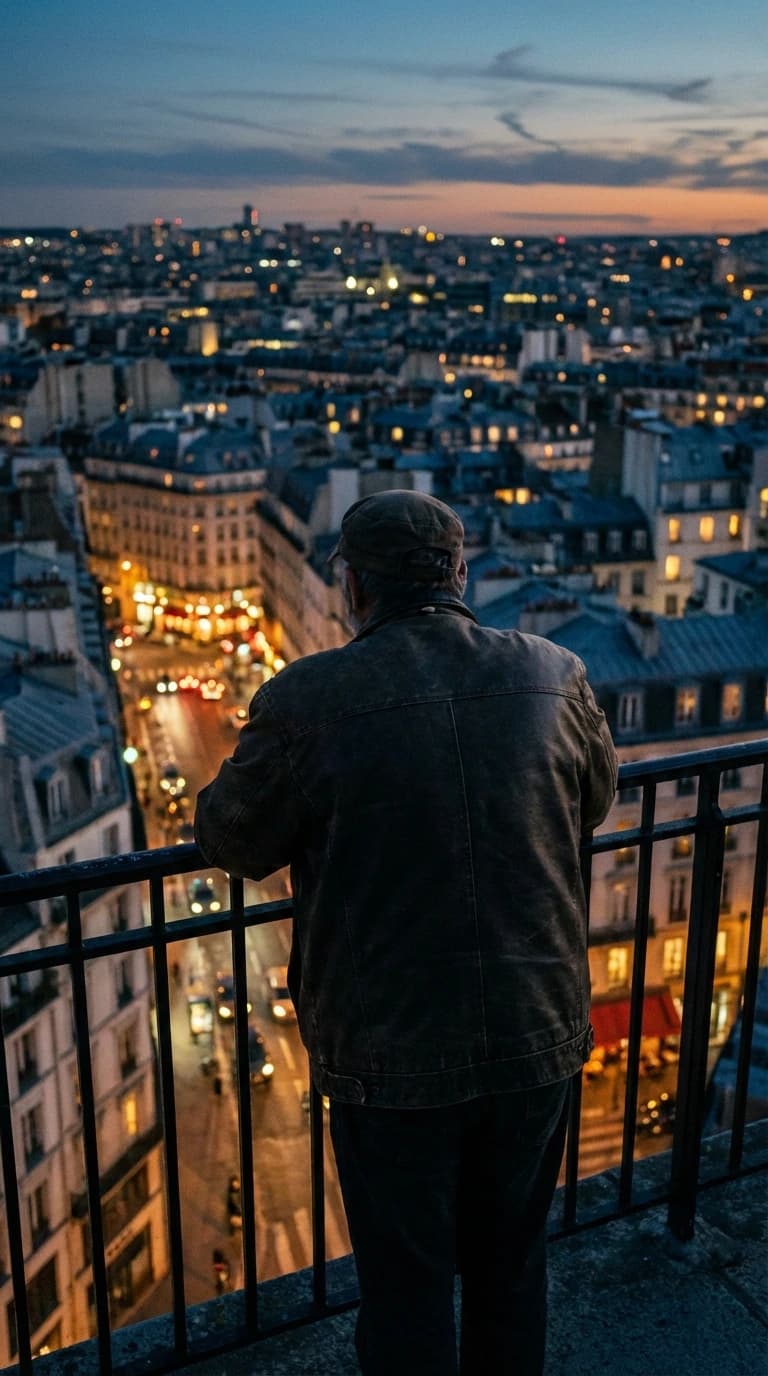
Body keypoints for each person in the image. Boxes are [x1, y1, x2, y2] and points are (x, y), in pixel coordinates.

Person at [194, 489, 617, 1376]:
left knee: (406, 1287)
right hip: (538, 1026)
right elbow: (594, 798)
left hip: (391, 1046)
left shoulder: (310, 698)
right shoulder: (555, 671)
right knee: (512, 1269)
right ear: (461, 574)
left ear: (350, 584)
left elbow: (233, 838)